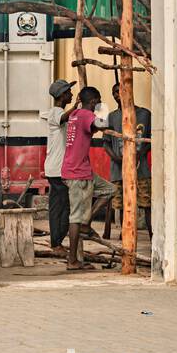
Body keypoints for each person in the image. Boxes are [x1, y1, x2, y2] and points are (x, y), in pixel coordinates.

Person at [61, 85, 116, 271]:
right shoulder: (85, 114)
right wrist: (104, 109)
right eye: (97, 101)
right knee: (75, 217)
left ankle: (87, 222)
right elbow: (102, 125)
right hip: (78, 173)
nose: (98, 104)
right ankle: (72, 260)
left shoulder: (75, 114)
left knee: (110, 190)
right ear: (93, 101)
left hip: (79, 169)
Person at [104, 82, 153, 238]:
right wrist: (116, 158)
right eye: (114, 93)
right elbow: (105, 143)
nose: (117, 95)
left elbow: (150, 139)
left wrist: (140, 154)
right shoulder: (111, 117)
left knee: (146, 202)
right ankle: (121, 232)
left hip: (141, 168)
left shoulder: (145, 114)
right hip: (118, 169)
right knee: (119, 202)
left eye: (119, 91)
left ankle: (152, 233)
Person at [42, 78, 74, 252]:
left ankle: (57, 241)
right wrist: (77, 106)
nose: (71, 94)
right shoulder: (56, 112)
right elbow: (63, 117)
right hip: (56, 169)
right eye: (69, 92)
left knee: (61, 206)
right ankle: (56, 243)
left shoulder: (60, 111)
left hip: (58, 168)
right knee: (62, 207)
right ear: (62, 95)